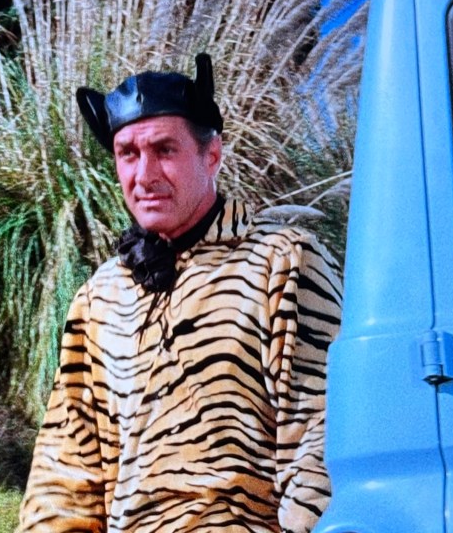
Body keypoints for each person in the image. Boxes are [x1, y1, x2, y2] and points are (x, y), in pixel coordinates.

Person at [17, 54, 343, 533]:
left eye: (164, 150)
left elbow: (321, 438)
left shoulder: (284, 262)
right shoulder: (100, 296)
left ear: (212, 155)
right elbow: (65, 473)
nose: (145, 175)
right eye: (128, 154)